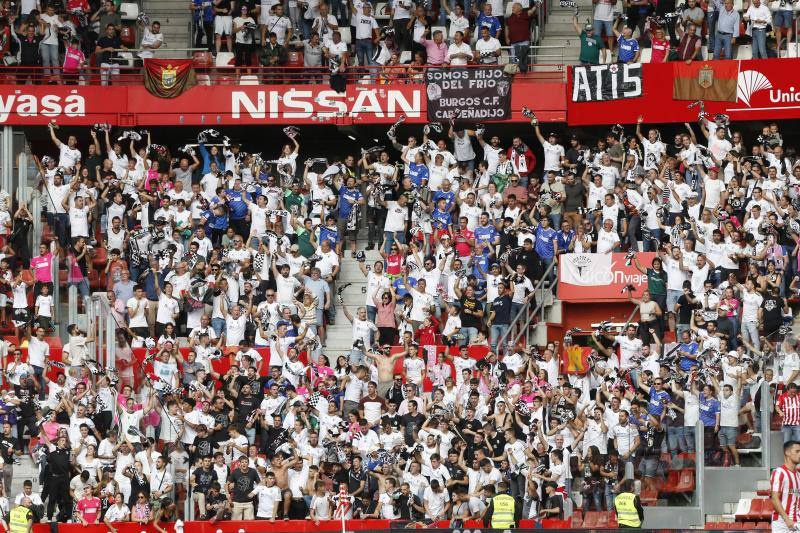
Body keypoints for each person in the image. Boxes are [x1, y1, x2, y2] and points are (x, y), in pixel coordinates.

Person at [771, 440, 800, 533]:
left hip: (796, 521)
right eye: (797, 451)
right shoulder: (779, 473)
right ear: (787, 452)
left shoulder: (798, 475)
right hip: (781, 523)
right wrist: (786, 519)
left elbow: (795, 496)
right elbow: (775, 498)